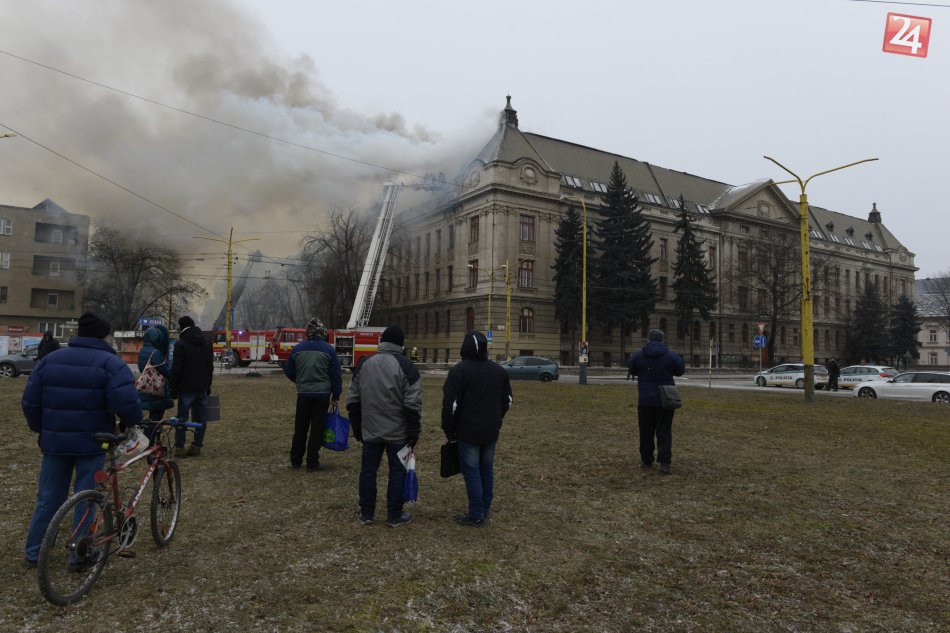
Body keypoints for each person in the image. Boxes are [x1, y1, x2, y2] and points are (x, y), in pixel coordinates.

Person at [21, 311, 142, 568]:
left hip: (54, 443)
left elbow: (30, 402)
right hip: (93, 443)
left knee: (48, 499)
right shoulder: (111, 364)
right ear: (103, 336)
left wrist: (41, 429)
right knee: (87, 499)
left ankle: (34, 552)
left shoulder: (49, 360)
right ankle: (79, 555)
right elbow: (127, 403)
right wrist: (130, 423)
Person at [346, 325, 422, 528]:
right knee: (397, 472)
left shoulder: (364, 363)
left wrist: (357, 426)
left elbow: (353, 399)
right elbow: (412, 404)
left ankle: (366, 513)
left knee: (368, 472)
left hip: (370, 430)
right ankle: (394, 515)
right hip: (398, 432)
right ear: (401, 344)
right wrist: (414, 431)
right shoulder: (407, 366)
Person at [441, 330, 512, 527]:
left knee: (472, 471)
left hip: (468, 431)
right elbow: (507, 400)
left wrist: (449, 431)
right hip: (490, 430)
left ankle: (477, 513)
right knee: (486, 469)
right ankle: (484, 508)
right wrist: (497, 419)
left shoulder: (459, 371)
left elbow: (450, 405)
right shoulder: (499, 371)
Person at [283, 317, 342, 472]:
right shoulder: (329, 350)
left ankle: (296, 460)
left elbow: (288, 371)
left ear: (307, 333)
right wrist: (336, 395)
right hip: (322, 395)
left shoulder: (297, 349)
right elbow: (336, 375)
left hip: (303, 394)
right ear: (322, 333)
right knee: (317, 428)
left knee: (300, 427)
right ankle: (312, 462)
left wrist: (300, 381)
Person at [627, 329, 685, 475]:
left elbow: (632, 370)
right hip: (665, 400)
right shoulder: (671, 355)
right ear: (663, 340)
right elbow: (680, 370)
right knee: (664, 431)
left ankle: (647, 460)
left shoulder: (638, 355)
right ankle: (665, 463)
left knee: (645, 431)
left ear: (648, 340)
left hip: (645, 400)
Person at [169, 315, 214, 458]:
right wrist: (208, 385)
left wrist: (173, 388)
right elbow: (210, 366)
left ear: (181, 327)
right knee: (201, 418)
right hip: (202, 387)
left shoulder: (181, 344)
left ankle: (179, 447)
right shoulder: (207, 342)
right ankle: (197, 446)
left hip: (186, 388)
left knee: (182, 419)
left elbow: (176, 368)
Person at [137, 325, 175, 444]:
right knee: (155, 420)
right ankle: (148, 443)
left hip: (147, 386)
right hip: (157, 390)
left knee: (151, 419)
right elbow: (166, 371)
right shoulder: (156, 352)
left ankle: (147, 442)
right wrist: (171, 364)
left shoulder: (142, 350)